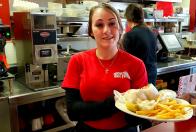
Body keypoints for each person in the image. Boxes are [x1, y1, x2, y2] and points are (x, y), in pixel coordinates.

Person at [62, 3, 151, 132]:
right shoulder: (78, 61)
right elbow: (73, 111)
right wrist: (114, 103)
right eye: (99, 25)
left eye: (112, 24)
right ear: (91, 31)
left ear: (120, 28)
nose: (106, 30)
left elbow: (136, 117)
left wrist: (148, 109)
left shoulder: (136, 64)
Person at [122, 3, 158, 86]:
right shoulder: (152, 32)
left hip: (139, 77)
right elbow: (155, 50)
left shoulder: (129, 35)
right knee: (149, 98)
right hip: (152, 74)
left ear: (128, 18)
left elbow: (126, 60)